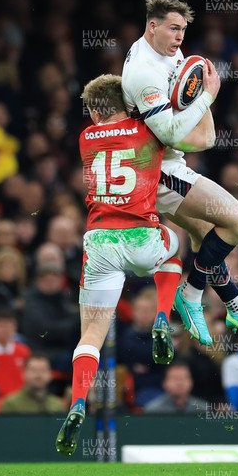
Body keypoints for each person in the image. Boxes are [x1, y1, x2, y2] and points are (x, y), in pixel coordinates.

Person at [122, 0, 238, 345]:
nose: (180, 36)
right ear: (152, 26)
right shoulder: (143, 72)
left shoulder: (169, 52)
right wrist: (208, 97)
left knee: (204, 235)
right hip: (156, 171)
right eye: (173, 28)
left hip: (166, 162)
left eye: (183, 29)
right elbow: (169, 133)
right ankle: (191, 292)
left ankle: (236, 304)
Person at [56, 74, 185, 456]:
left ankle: (78, 400)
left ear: (94, 110)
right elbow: (178, 130)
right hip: (141, 235)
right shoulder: (148, 131)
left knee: (91, 335)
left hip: (99, 242)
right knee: (174, 250)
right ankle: (163, 315)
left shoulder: (84, 138)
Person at [0, 355, 65, 414]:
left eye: (43, 370)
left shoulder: (57, 405)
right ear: (23, 373)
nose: (38, 375)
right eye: (33, 370)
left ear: (50, 374)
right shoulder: (11, 404)